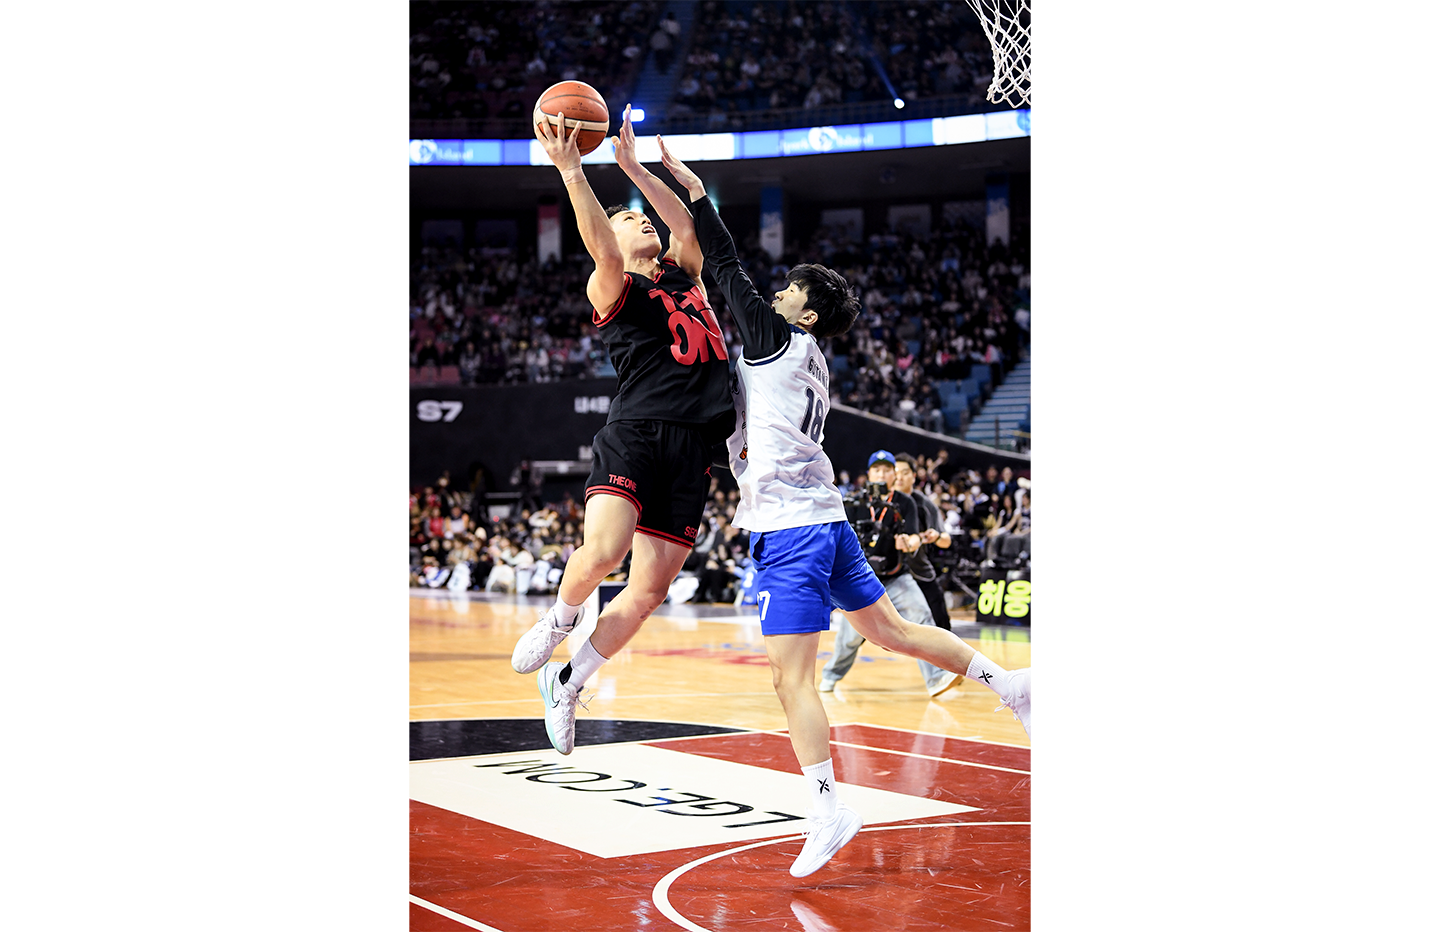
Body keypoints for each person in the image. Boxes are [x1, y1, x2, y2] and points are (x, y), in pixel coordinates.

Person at [656, 138, 1030, 879]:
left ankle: (827, 807)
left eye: (790, 288)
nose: (777, 292)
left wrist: (692, 187)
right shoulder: (810, 357)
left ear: (808, 311)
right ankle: (1012, 685)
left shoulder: (777, 338)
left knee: (790, 680)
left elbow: (724, 262)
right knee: (891, 632)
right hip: (824, 520)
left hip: (795, 532)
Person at [510, 106, 736, 757]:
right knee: (604, 553)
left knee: (647, 593)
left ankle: (569, 681)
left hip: (695, 448)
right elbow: (605, 247)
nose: (641, 218)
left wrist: (635, 169)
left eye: (641, 214)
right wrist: (575, 173)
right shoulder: (613, 285)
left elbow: (685, 226)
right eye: (628, 215)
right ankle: (560, 619)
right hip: (636, 431)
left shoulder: (681, 273)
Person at [819, 451, 957, 696]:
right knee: (850, 637)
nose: (882, 475)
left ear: (894, 475)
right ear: (868, 474)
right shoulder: (854, 502)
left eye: (887, 470)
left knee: (921, 615)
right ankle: (831, 675)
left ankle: (936, 678)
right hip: (861, 579)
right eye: (877, 470)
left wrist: (910, 542)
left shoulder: (905, 503)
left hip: (897, 576)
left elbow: (914, 535)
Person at [894, 452, 954, 632]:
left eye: (904, 472)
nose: (899, 477)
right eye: (895, 472)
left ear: (914, 476)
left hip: (918, 570)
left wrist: (935, 537)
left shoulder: (925, 505)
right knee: (857, 630)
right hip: (886, 574)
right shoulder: (883, 502)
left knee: (941, 624)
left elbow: (946, 540)